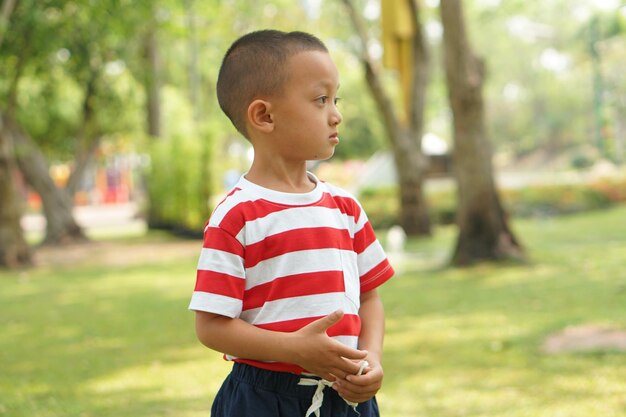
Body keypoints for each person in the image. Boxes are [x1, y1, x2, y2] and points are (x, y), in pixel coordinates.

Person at [189, 29, 395, 417]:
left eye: (336, 99)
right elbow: (212, 326)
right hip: (264, 400)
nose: (336, 114)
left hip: (346, 399)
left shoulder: (345, 208)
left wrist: (372, 359)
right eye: (320, 100)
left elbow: (370, 297)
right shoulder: (237, 216)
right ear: (264, 115)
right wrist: (294, 350)